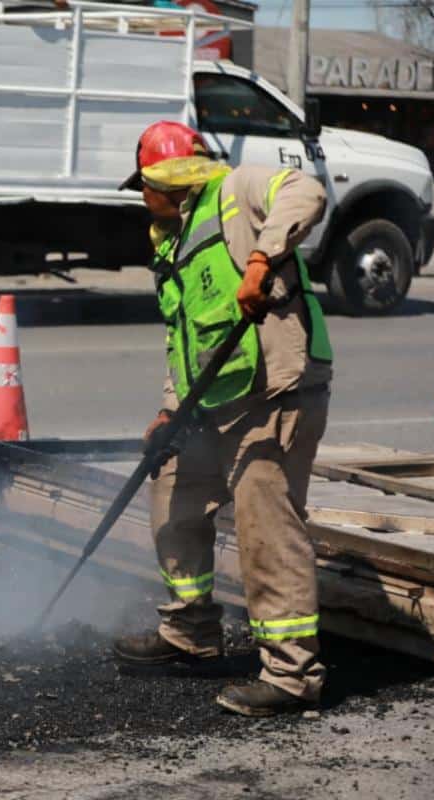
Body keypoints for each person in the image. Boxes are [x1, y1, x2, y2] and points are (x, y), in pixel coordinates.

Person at [111, 121, 333, 717]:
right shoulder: (171, 242)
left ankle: (291, 676)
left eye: (144, 185)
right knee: (174, 494)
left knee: (267, 530)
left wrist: (261, 259)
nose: (140, 198)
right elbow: (182, 340)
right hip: (212, 401)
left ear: (166, 179)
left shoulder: (239, 188)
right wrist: (167, 410)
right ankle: (191, 631)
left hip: (273, 392)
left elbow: (307, 192)